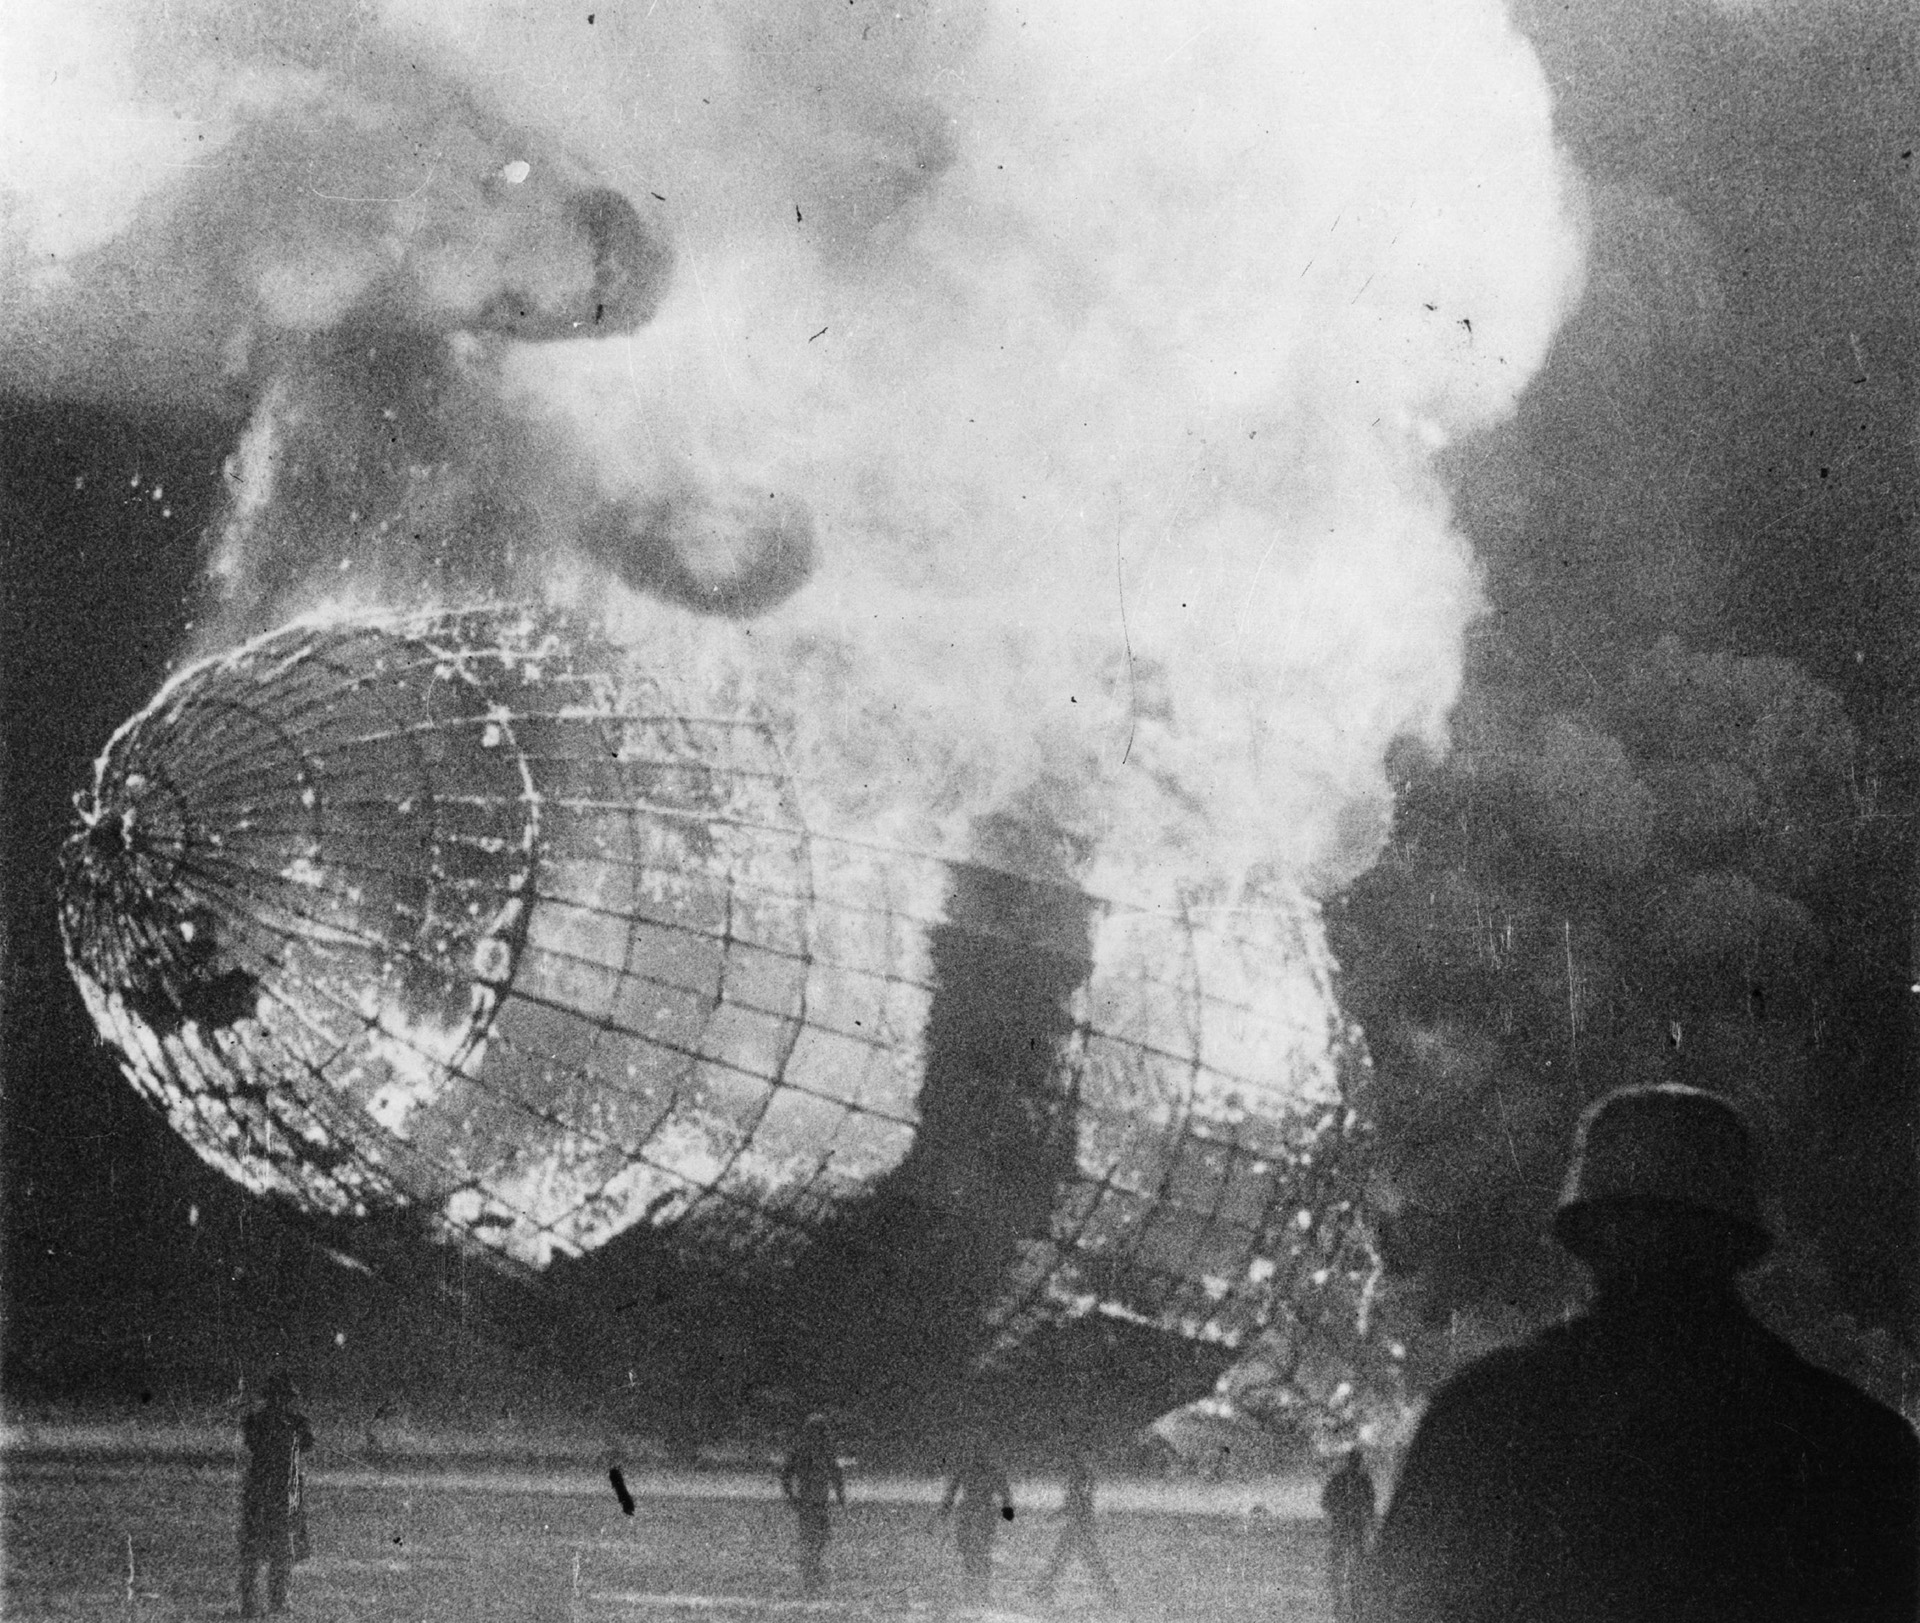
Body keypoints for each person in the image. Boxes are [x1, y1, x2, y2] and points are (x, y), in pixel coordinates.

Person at [1365, 1084, 1919, 1623]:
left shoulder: (1483, 1414)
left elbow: (1400, 1602)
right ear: (1739, 1242)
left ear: (1587, 1238)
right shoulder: (1857, 1439)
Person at [238, 1372, 314, 1617]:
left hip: (266, 1488)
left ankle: (259, 1603)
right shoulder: (296, 1422)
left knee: (263, 1549)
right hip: (280, 1489)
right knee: (275, 1549)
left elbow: (252, 1443)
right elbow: (307, 1445)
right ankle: (271, 1602)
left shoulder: (256, 1420)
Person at [1031, 1447, 1121, 1608]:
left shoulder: (1079, 1477)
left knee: (1070, 1558)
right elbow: (1079, 1501)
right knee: (1080, 1558)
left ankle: (1043, 1589)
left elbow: (1077, 1502)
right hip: (1080, 1523)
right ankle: (1110, 1593)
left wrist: (1059, 1514)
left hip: (1078, 1524)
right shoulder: (1083, 1476)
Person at [778, 1412, 846, 1597]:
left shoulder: (813, 1449)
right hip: (809, 1502)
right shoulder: (807, 1450)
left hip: (815, 1502)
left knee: (818, 1537)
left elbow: (836, 1474)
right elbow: (786, 1475)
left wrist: (840, 1496)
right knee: (814, 1537)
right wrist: (791, 1497)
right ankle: (811, 1571)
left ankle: (811, 1569)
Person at [939, 1440, 1014, 1606]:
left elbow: (1005, 1494)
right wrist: (1007, 1511)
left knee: (979, 1551)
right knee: (972, 1550)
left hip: (978, 1510)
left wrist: (1007, 1510)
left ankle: (979, 1590)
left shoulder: (984, 1471)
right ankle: (975, 1590)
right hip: (975, 1510)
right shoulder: (982, 1470)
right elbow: (1005, 1495)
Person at [1319, 1446, 1375, 1623]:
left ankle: (1339, 1586)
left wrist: (1335, 1514)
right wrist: (1370, 1523)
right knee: (1356, 1557)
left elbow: (1326, 1502)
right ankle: (1355, 1588)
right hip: (1356, 1525)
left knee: (1338, 1557)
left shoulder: (1338, 1478)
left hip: (1341, 1524)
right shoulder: (1363, 1480)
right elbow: (1370, 1505)